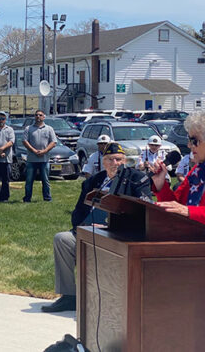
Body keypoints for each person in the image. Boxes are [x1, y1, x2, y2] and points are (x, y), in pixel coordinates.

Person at [42, 142, 153, 313]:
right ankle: (69, 297)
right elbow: (79, 210)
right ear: (103, 161)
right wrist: (81, 226)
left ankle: (107, 300)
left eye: (118, 159)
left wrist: (109, 225)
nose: (114, 163)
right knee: (62, 239)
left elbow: (145, 210)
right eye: (109, 159)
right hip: (89, 230)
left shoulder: (136, 179)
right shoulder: (94, 181)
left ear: (124, 161)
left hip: (118, 233)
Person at [151, 111, 205, 223]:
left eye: (194, 141)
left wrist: (189, 211)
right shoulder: (197, 171)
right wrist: (161, 186)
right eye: (189, 140)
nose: (189, 145)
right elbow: (177, 206)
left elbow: (184, 210)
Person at [22, 109, 57, 203]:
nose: (38, 116)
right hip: (31, 159)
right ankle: (27, 198)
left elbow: (53, 142)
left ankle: (47, 198)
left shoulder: (49, 129)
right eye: (36, 115)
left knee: (45, 181)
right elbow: (25, 141)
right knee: (29, 181)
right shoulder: (28, 128)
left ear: (44, 117)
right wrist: (33, 150)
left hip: (44, 159)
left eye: (40, 115)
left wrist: (44, 151)